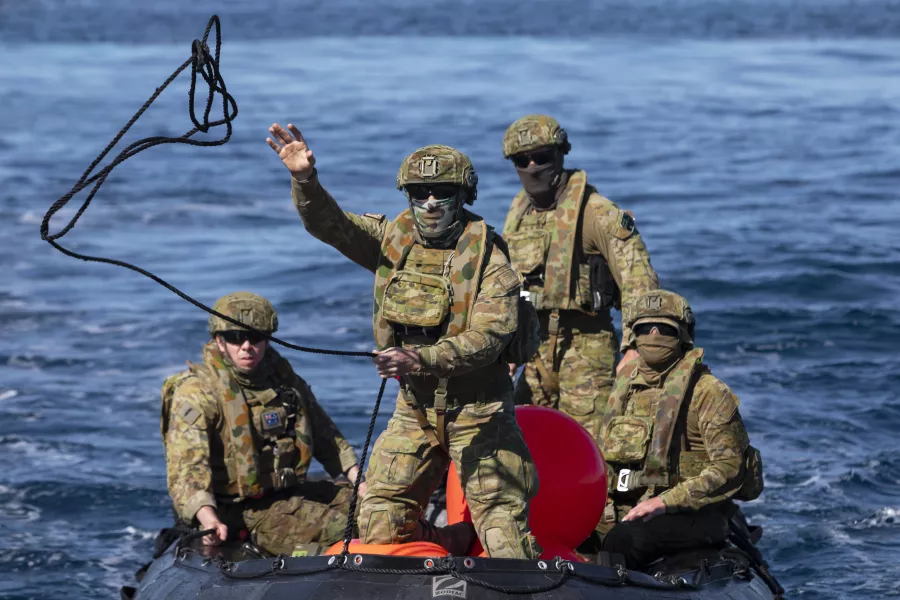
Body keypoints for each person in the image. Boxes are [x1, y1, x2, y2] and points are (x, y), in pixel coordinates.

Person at [267, 122, 540, 559]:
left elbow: (489, 337)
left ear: (463, 195)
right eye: (419, 193)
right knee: (378, 526)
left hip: (479, 410)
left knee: (505, 536)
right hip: (415, 408)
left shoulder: (491, 259)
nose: (429, 203)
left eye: (441, 193)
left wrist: (418, 359)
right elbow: (330, 225)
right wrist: (305, 180)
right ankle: (448, 548)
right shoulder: (393, 242)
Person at [161, 291, 364, 555]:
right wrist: (208, 518)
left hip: (287, 493)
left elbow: (328, 438)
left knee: (380, 512)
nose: (247, 346)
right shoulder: (199, 393)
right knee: (341, 530)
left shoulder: (284, 381)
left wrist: (362, 484)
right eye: (236, 338)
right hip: (237, 509)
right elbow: (187, 469)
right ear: (220, 342)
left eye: (255, 337)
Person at [501, 114, 659, 439]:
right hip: (534, 349)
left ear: (561, 154)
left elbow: (638, 281)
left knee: (592, 444)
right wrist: (505, 345)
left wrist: (634, 348)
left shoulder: (597, 213)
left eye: (542, 157)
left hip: (586, 349)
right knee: (519, 440)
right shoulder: (520, 214)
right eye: (522, 160)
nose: (532, 166)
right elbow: (508, 285)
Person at [597, 290, 764, 568]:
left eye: (664, 328)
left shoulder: (709, 392)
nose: (653, 334)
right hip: (630, 505)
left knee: (622, 540)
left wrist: (666, 502)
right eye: (644, 328)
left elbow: (729, 468)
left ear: (684, 335)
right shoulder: (627, 383)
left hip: (692, 511)